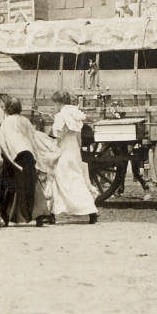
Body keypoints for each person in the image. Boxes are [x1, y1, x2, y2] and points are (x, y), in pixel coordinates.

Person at [0, 97, 54, 227]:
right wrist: (37, 158)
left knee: (7, 185)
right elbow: (32, 139)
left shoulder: (6, 122)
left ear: (8, 109)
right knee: (32, 185)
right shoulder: (25, 121)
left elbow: (3, 142)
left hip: (15, 155)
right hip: (28, 154)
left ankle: (5, 217)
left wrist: (8, 158)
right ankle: (39, 215)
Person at [50, 91, 98, 223]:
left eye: (54, 104)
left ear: (59, 103)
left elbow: (59, 137)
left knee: (60, 180)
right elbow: (79, 138)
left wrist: (54, 150)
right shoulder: (75, 115)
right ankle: (90, 209)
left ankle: (54, 212)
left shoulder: (60, 116)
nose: (54, 107)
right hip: (74, 150)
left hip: (64, 150)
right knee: (77, 179)